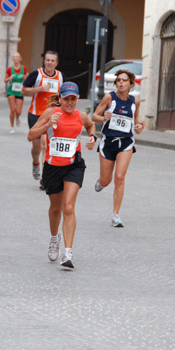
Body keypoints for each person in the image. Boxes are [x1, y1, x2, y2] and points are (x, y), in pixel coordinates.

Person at [27, 82, 96, 269]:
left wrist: (92, 138)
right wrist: (49, 124)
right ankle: (53, 238)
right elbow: (30, 135)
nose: (70, 102)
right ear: (60, 98)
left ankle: (68, 253)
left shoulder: (81, 116)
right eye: (66, 98)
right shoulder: (51, 113)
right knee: (55, 208)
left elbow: (91, 126)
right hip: (52, 167)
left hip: (74, 166)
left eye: (73, 98)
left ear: (77, 99)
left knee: (68, 207)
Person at [91, 69, 145, 227]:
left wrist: (139, 126)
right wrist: (103, 117)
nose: (121, 82)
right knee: (106, 180)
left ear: (130, 84)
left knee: (120, 178)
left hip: (126, 142)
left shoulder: (135, 102)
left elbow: (136, 120)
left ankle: (116, 215)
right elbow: (94, 116)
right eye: (119, 80)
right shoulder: (109, 98)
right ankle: (101, 181)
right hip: (108, 142)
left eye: (124, 80)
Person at [22, 51, 65, 184]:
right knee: (37, 147)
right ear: (44, 61)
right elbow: (23, 90)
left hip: (51, 115)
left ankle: (45, 179)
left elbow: (63, 94)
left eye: (52, 61)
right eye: (47, 60)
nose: (49, 63)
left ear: (56, 63)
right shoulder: (37, 74)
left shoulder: (60, 76)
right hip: (35, 114)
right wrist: (39, 89)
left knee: (46, 146)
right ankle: (36, 163)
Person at [4, 52, 28, 134]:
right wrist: (9, 78)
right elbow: (5, 80)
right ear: (12, 59)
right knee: (12, 110)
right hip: (11, 91)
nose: (16, 58)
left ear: (20, 58)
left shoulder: (23, 68)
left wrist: (25, 78)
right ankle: (12, 127)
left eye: (17, 57)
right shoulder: (10, 69)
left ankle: (17, 117)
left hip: (20, 92)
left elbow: (28, 79)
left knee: (18, 111)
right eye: (14, 57)